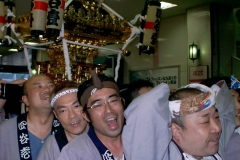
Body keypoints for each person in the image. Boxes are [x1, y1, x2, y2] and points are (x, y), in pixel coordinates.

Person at [122, 81, 235, 159]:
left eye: (216, 117)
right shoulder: (160, 156)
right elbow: (146, 106)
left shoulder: (213, 149)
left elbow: (227, 109)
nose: (217, 128)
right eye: (205, 121)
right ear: (175, 130)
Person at [57, 70, 125, 160]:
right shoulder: (73, 154)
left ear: (123, 103)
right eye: (97, 105)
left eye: (113, 101)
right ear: (86, 116)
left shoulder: (141, 139)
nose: (108, 110)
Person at [0, 74, 60, 160]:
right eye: (38, 86)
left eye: (51, 85)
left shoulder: (67, 127)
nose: (47, 89)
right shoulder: (6, 130)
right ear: (26, 100)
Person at [37, 81, 89, 160]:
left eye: (76, 106)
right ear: (56, 115)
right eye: (63, 111)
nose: (72, 115)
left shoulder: (103, 134)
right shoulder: (53, 145)